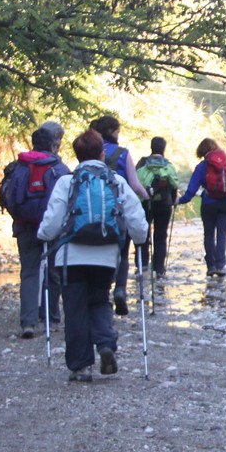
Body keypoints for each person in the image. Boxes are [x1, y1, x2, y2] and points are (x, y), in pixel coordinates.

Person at [36, 129, 149, 381]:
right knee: (99, 300)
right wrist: (141, 240)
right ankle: (106, 344)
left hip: (71, 256)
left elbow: (52, 222)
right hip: (106, 255)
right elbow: (137, 221)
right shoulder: (116, 181)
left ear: (76, 155)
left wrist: (43, 235)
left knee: (75, 308)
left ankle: (80, 367)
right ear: (102, 154)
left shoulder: (67, 182)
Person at [5, 120, 69, 338]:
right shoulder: (59, 168)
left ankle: (28, 323)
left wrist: (18, 218)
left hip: (25, 226)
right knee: (54, 272)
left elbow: (10, 197)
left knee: (29, 273)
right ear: (52, 144)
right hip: (53, 227)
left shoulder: (20, 166)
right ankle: (51, 317)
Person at [89, 116, 150, 316]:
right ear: (112, 131)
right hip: (119, 210)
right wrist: (146, 196)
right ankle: (120, 289)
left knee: (101, 251)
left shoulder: (91, 150)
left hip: (94, 210)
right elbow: (134, 184)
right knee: (123, 252)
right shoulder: (123, 153)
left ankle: (102, 291)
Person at [177, 138, 226, 277]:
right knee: (222, 233)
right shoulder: (225, 164)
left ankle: (211, 266)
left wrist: (179, 201)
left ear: (201, 152)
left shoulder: (202, 167)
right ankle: (220, 266)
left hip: (209, 204)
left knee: (209, 234)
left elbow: (191, 190)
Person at [134, 137, 178, 279]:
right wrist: (173, 201)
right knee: (161, 235)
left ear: (151, 147)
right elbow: (174, 185)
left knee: (143, 233)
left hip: (145, 203)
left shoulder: (142, 163)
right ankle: (159, 269)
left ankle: (142, 265)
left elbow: (135, 183)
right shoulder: (168, 165)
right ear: (164, 148)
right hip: (164, 204)